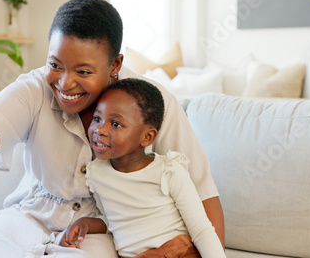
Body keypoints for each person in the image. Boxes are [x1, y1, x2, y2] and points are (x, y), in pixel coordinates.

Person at [0, 0, 224, 257]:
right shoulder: (35, 87)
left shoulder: (151, 103)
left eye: (83, 71)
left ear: (115, 66)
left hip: (94, 232)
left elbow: (202, 194)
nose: (64, 84)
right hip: (29, 216)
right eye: (55, 64)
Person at [60, 78, 226, 258]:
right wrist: (87, 223)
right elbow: (117, 221)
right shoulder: (96, 173)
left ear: (147, 137)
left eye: (115, 124)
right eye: (97, 119)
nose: (100, 130)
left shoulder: (169, 171)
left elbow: (201, 229)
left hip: (176, 252)